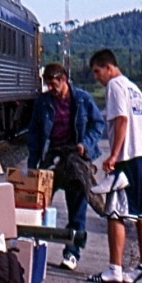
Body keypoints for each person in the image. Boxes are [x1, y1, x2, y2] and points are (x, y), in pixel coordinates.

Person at [26, 62, 107, 272]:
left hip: (76, 156)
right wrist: (32, 164)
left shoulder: (82, 98)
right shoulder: (43, 102)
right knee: (38, 205)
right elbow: (34, 132)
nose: (50, 89)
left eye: (53, 84)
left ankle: (72, 252)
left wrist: (86, 144)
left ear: (63, 80)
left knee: (77, 206)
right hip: (52, 155)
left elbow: (98, 123)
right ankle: (35, 247)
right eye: (47, 85)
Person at [87, 48, 142, 283]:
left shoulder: (115, 86)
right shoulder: (134, 88)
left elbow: (121, 120)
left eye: (97, 72)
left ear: (108, 67)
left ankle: (114, 268)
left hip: (128, 159)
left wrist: (113, 156)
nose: (97, 77)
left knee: (115, 212)